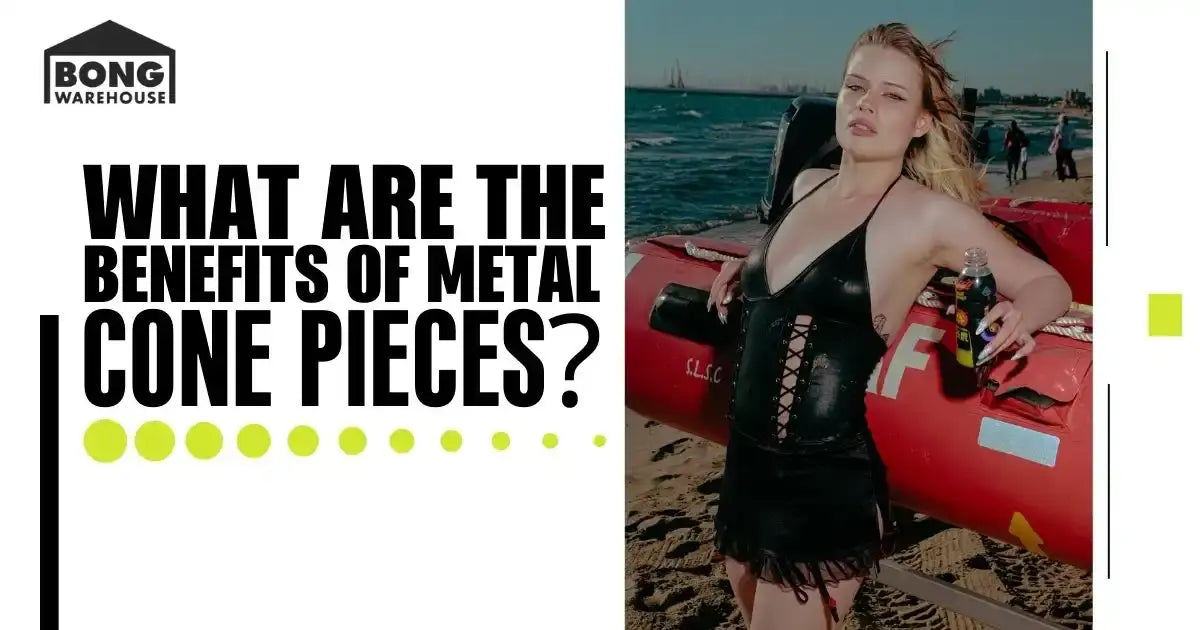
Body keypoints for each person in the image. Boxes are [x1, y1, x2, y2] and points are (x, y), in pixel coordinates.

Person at [705, 23, 1072, 629]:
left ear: (921, 122)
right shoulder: (806, 185)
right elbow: (786, 260)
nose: (866, 105)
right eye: (855, 87)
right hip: (746, 472)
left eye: (893, 96)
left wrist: (1021, 315)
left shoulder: (927, 217)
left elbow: (1043, 282)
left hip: (823, 486)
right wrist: (745, 269)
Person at [1050, 114, 1079, 181]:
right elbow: (1074, 135)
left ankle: (1061, 178)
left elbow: (1056, 136)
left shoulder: (1058, 127)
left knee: (1059, 162)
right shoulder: (1071, 126)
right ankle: (1074, 175)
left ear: (1061, 120)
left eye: (1059, 119)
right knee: (1069, 160)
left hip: (1061, 145)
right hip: (1069, 145)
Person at [1004, 121, 1028, 185]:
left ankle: (1011, 173)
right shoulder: (1019, 132)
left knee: (1010, 162)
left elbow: (1006, 141)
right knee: (1015, 162)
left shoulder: (1010, 132)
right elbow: (1024, 140)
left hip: (1011, 149)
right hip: (1017, 149)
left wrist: (1005, 147)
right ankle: (1014, 174)